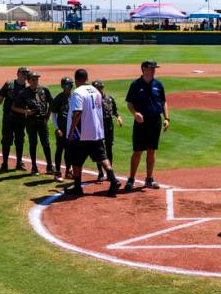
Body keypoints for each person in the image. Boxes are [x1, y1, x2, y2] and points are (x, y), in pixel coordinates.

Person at [64, 69, 120, 197]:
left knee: (76, 161)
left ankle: (77, 187)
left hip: (81, 134)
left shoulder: (77, 93)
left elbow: (77, 112)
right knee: (102, 157)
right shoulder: (96, 91)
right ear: (87, 78)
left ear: (76, 79)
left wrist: (72, 130)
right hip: (96, 132)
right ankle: (113, 180)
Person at [125, 60, 170, 190]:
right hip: (141, 122)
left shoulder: (158, 84)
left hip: (155, 121)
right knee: (138, 151)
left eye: (154, 68)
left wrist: (167, 118)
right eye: (151, 68)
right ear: (144, 69)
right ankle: (131, 179)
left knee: (151, 150)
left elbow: (163, 102)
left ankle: (149, 179)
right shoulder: (135, 84)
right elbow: (129, 103)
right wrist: (135, 114)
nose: (154, 70)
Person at [12, 71, 52, 174]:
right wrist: (26, 111)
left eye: (37, 79)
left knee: (46, 143)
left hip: (42, 121)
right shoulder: (24, 93)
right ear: (28, 81)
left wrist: (47, 115)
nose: (36, 81)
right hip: (31, 122)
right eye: (33, 79)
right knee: (33, 143)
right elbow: (14, 107)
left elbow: (52, 103)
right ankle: (34, 166)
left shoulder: (44, 90)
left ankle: (50, 166)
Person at [0, 67, 29, 170]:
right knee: (6, 140)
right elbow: (0, 99)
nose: (24, 75)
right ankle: (5, 163)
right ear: (18, 74)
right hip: (8, 117)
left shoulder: (28, 88)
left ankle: (19, 163)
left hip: (21, 118)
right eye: (23, 73)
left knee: (20, 140)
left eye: (26, 73)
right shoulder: (9, 84)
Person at [93, 80, 124, 182]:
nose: (99, 89)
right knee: (99, 150)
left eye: (100, 87)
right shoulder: (93, 100)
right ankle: (100, 173)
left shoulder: (109, 98)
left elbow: (114, 110)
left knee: (109, 148)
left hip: (109, 127)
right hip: (98, 127)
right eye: (97, 88)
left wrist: (118, 117)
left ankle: (109, 172)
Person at [50, 77, 73, 179]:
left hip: (72, 129)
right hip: (62, 129)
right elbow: (53, 114)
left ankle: (68, 171)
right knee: (60, 149)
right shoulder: (59, 98)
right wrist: (56, 128)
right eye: (67, 85)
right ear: (62, 86)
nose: (70, 87)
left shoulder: (75, 96)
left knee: (69, 150)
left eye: (71, 85)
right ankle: (57, 172)